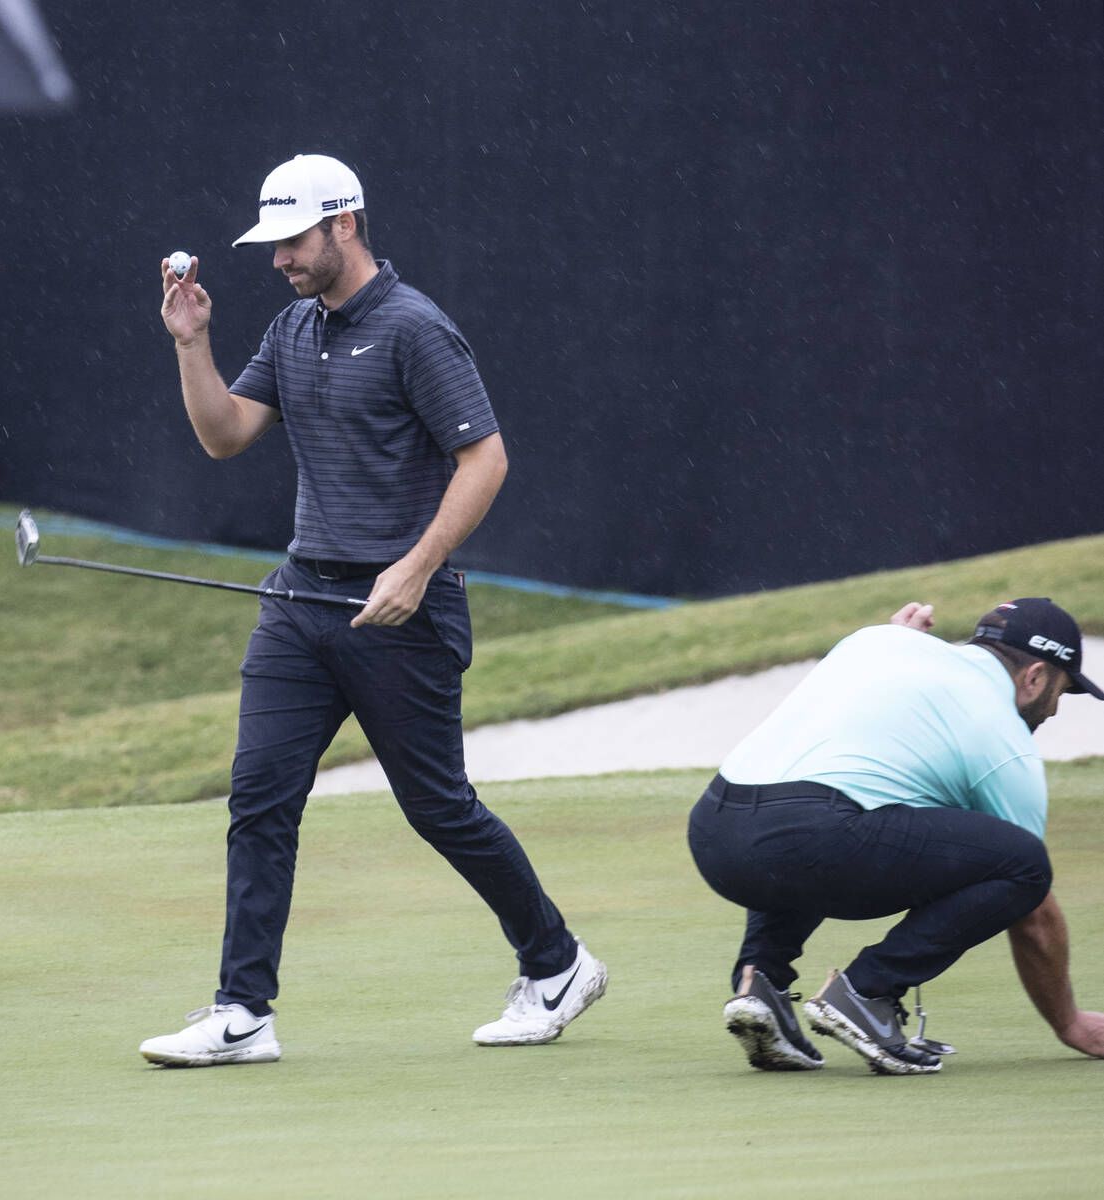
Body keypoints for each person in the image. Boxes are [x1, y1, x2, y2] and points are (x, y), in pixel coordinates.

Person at [139, 154, 607, 1067]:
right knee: (259, 798)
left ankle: (556, 965)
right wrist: (191, 343)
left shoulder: (414, 329)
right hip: (300, 600)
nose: (279, 259)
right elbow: (226, 435)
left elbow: (486, 460)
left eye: (292, 241)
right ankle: (242, 1011)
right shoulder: (291, 324)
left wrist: (416, 568)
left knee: (437, 806)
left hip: (401, 612)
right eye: (271, 244)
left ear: (343, 225)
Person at [687, 596, 1104, 1075]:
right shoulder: (1004, 738)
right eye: (1062, 691)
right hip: (813, 838)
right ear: (1034, 677)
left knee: (812, 826)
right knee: (1026, 864)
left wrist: (899, 639)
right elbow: (1032, 909)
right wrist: (1070, 1023)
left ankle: (760, 984)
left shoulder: (882, 640)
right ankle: (868, 992)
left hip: (714, 834)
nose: (1054, 711)